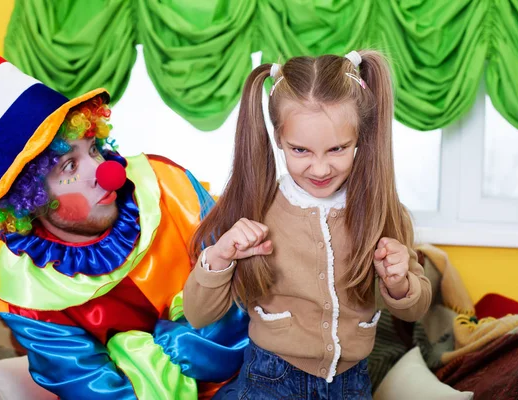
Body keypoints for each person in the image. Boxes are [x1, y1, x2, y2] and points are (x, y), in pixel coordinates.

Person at [0, 42, 249, 399]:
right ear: (29, 199)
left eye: (92, 148)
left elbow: (249, 293)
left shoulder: (168, 185)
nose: (106, 172)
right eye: (69, 166)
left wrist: (149, 354)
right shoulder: (27, 297)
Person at [183, 50, 432, 399]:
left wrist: (400, 282)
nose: (319, 169)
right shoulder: (253, 207)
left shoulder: (384, 211)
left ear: (360, 138)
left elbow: (417, 308)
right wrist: (220, 256)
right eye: (300, 150)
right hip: (270, 380)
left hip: (352, 383)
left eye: (337, 149)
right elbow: (197, 315)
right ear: (279, 140)